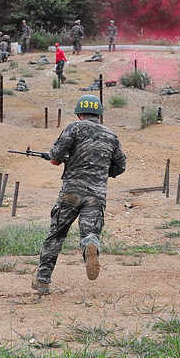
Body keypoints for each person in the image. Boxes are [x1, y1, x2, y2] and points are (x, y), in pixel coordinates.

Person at [32, 95, 126, 294]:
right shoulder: (111, 136)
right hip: (97, 194)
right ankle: (90, 245)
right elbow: (120, 166)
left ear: (80, 113)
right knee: (90, 233)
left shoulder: (74, 128)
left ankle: (43, 281)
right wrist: (102, 171)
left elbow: (56, 155)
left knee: (56, 234)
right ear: (99, 115)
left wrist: (61, 160)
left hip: (71, 192)